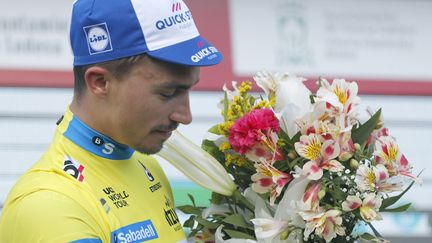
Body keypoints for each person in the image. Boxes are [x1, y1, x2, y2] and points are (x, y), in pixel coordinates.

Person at [0, 0, 222, 242]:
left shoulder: (145, 164)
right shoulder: (49, 204)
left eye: (189, 89)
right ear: (100, 82)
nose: (185, 116)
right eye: (168, 93)